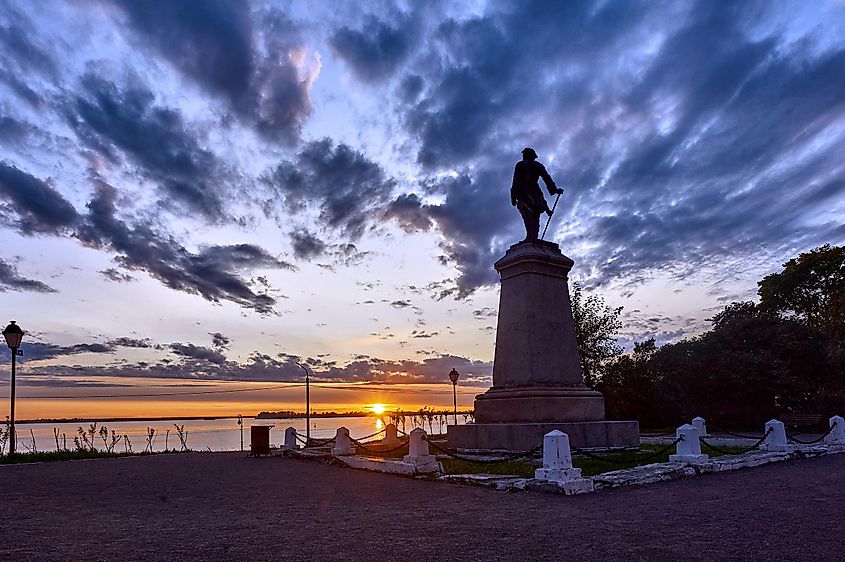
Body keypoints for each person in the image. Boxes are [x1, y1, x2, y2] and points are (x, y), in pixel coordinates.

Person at [510, 147, 563, 242]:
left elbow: (516, 181)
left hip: (524, 191)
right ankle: (532, 236)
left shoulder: (520, 164)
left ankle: (531, 237)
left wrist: (513, 195)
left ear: (526, 155)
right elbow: (547, 179)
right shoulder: (538, 165)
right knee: (535, 214)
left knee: (527, 214)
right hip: (535, 191)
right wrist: (554, 190)